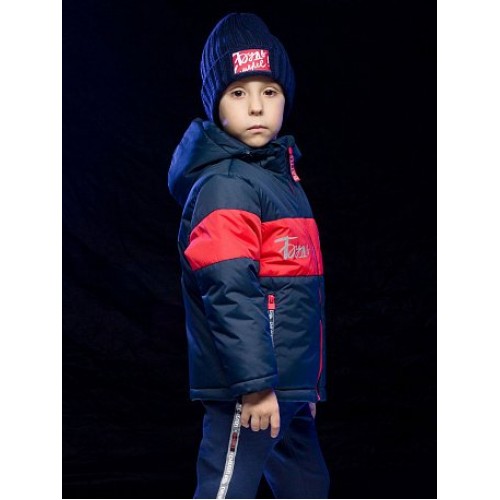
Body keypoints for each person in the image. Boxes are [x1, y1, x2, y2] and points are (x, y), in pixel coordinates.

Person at [168, 12, 330, 499]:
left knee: (307, 485)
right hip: (251, 387)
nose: (257, 106)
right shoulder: (226, 185)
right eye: (238, 93)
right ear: (216, 106)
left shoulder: (281, 181)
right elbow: (230, 291)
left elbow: (298, 292)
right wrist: (256, 384)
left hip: (287, 386)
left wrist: (306, 386)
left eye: (269, 91)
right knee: (228, 488)